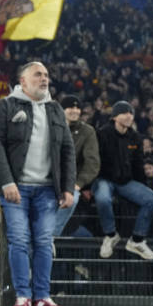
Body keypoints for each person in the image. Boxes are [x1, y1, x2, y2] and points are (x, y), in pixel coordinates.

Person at [0, 62, 75, 306]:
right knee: (19, 240)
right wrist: (6, 181)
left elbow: (67, 149)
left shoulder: (55, 109)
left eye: (46, 75)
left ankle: (42, 298)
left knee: (44, 241)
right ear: (23, 81)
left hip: (47, 190)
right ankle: (23, 296)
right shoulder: (5, 106)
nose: (44, 78)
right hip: (16, 189)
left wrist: (68, 187)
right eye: (38, 75)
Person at [94, 100, 153, 260]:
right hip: (104, 179)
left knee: (151, 199)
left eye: (131, 113)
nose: (129, 116)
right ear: (115, 117)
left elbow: (138, 165)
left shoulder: (135, 137)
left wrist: (142, 188)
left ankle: (137, 240)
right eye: (125, 113)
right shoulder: (102, 134)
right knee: (103, 198)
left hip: (125, 181)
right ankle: (110, 235)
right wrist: (88, 186)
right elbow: (93, 161)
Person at [53, 95, 100, 236]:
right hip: (48, 179)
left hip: (72, 182)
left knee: (71, 200)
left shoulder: (87, 131)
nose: (75, 111)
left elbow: (92, 163)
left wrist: (78, 184)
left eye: (77, 108)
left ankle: (51, 238)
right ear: (61, 110)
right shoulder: (51, 127)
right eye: (70, 107)